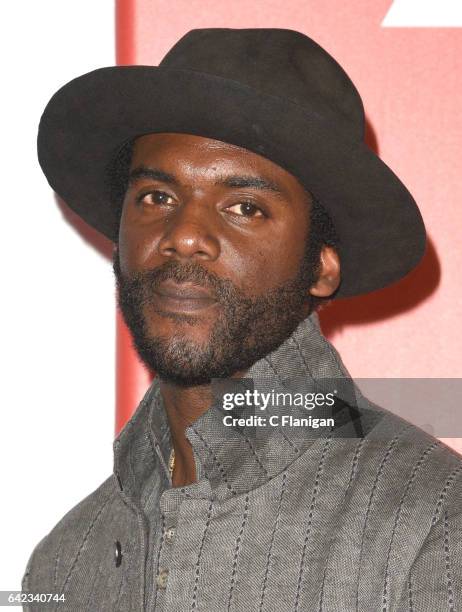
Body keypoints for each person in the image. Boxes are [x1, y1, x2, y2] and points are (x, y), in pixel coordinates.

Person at [22, 28, 461, 611]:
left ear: (322, 267)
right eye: (156, 197)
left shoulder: (433, 523)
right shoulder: (67, 560)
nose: (182, 236)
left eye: (245, 207)